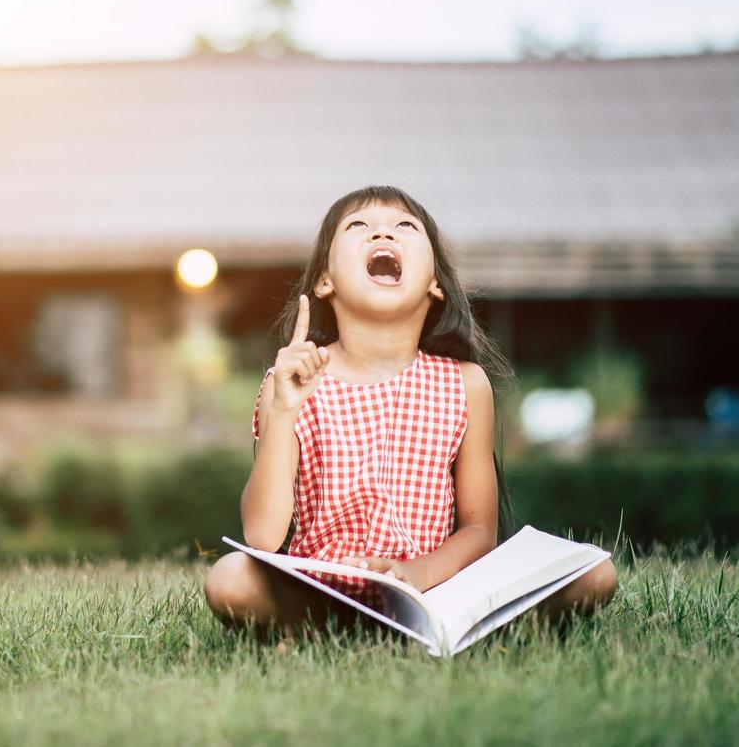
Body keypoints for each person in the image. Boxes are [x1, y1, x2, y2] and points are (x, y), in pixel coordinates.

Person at [203, 185, 617, 640]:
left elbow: (479, 530)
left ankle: (407, 629)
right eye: (358, 226)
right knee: (230, 578)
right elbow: (262, 536)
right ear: (325, 281)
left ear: (435, 282)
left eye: (405, 227)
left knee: (595, 573)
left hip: (434, 587)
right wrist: (282, 410)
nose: (383, 232)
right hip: (322, 587)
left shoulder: (466, 383)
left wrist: (416, 575)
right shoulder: (291, 382)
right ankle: (351, 626)